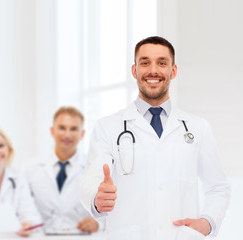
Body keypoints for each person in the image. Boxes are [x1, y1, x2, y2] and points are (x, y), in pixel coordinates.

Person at [80, 36, 230, 240]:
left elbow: (218, 187)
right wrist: (97, 199)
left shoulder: (198, 128)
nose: (153, 71)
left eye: (162, 63)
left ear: (173, 71)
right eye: (145, 63)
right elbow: (91, 182)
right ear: (134, 71)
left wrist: (207, 223)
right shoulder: (107, 128)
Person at [25, 106, 99, 234]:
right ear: (52, 131)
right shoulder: (30, 168)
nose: (67, 134)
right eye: (62, 128)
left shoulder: (95, 167)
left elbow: (109, 210)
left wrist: (98, 223)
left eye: (74, 129)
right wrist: (28, 222)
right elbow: (23, 207)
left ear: (82, 134)